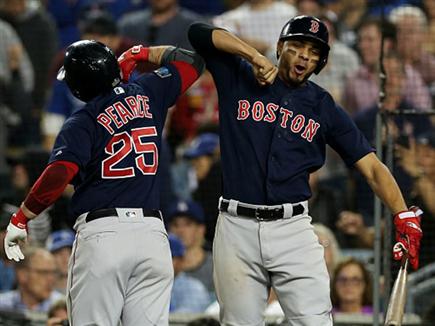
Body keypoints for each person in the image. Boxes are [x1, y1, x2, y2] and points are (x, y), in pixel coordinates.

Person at [188, 15, 423, 325]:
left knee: (315, 322)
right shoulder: (238, 75)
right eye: (297, 46)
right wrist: (252, 55)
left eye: (314, 52)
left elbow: (371, 167)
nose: (305, 56)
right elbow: (198, 33)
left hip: (292, 228)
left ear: (320, 63)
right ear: (280, 47)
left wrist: (401, 213)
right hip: (236, 226)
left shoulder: (322, 106)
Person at [3, 40, 205, 325]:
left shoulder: (82, 121)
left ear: (77, 86)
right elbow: (192, 61)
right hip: (153, 237)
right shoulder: (148, 90)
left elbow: (60, 172)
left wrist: (22, 216)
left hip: (104, 235)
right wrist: (141, 53)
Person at [167, 199, 215, 297]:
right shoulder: (162, 266)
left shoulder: (215, 266)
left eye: (187, 224)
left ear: (201, 229)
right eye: (175, 225)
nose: (180, 230)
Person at [0, 246, 64, 313]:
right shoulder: (3, 305)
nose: (51, 279)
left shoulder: (64, 308)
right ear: (22, 275)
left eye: (53, 273)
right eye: (44, 273)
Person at [168, 233, 211, 313]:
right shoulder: (147, 285)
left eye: (170, 257)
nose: (163, 261)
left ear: (181, 260)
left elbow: (182, 321)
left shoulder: (194, 288)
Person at [45, 229, 75, 293]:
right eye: (59, 254)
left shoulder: (87, 288)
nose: (66, 259)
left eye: (70, 253)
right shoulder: (40, 292)